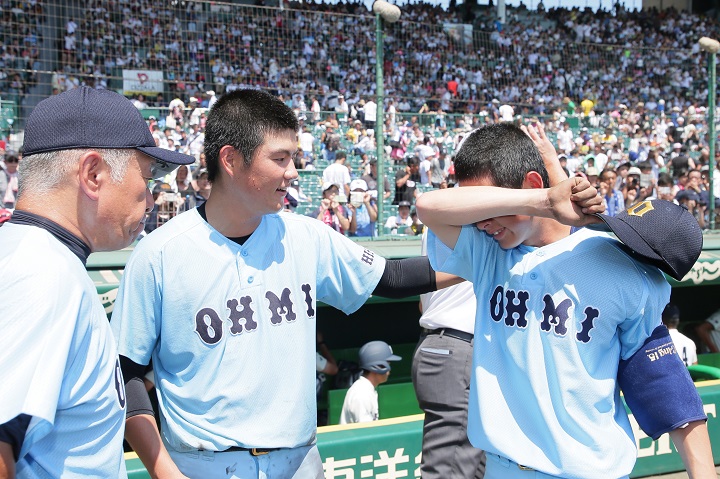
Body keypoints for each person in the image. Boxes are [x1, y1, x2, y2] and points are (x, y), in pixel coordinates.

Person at [111, 89, 456, 479]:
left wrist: (478, 265)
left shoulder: (306, 235)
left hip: (299, 460)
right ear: (230, 159)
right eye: (280, 158)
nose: (293, 171)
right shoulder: (158, 255)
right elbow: (125, 375)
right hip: (203, 464)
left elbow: (391, 278)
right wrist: (163, 471)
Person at [416, 123, 712, 479]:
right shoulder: (488, 253)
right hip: (502, 468)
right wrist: (541, 203)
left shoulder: (620, 269)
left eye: (490, 206)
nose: (479, 221)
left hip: (589, 470)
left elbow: (664, 385)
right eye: (476, 206)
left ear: (533, 183)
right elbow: (428, 205)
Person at [0, 87, 194, 478]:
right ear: (93, 175)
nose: (152, 198)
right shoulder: (43, 275)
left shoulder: (35, 255)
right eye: (148, 176)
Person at [339, 341, 401, 424]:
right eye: (388, 363)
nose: (389, 369)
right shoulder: (362, 394)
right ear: (378, 366)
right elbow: (366, 433)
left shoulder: (365, 388)